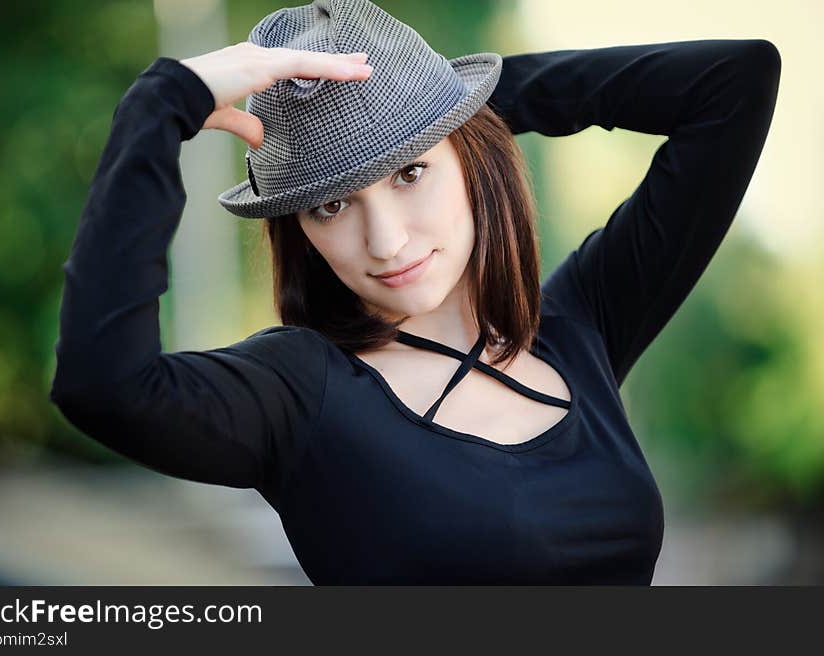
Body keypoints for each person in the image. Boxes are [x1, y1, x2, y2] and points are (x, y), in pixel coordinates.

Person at [49, 0, 781, 584]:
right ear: (298, 229)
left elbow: (734, 83)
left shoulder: (579, 327)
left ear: (470, 157)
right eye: (331, 204)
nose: (387, 240)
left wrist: (453, 101)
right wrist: (163, 101)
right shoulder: (299, 392)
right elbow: (101, 385)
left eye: (411, 173)